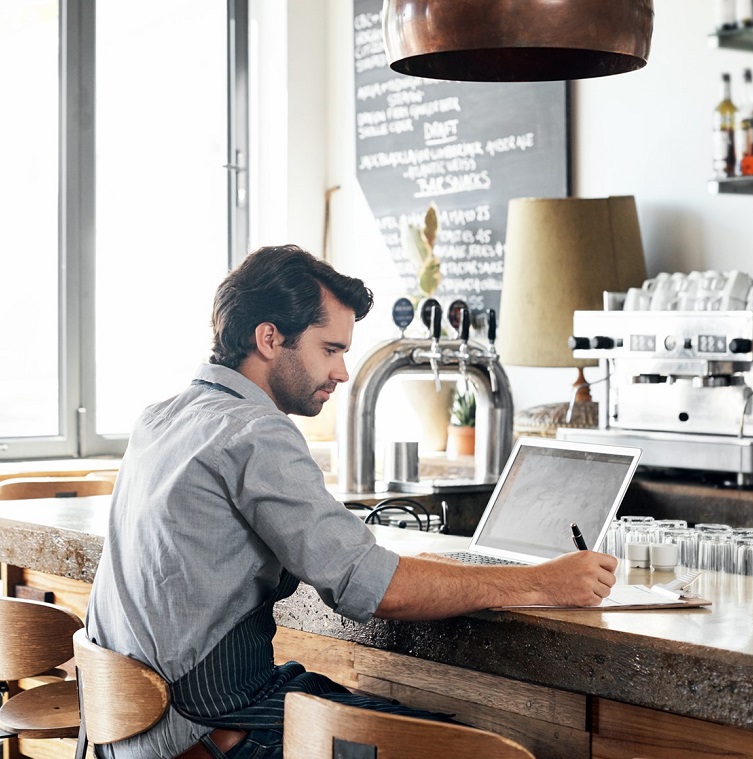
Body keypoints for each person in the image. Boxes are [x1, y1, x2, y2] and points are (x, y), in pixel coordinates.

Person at [86, 245, 617, 759]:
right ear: (270, 338)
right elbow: (374, 590)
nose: (341, 372)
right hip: (208, 733)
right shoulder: (255, 432)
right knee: (474, 747)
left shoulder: (161, 417)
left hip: (129, 733)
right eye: (331, 349)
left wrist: (423, 572)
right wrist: (545, 581)